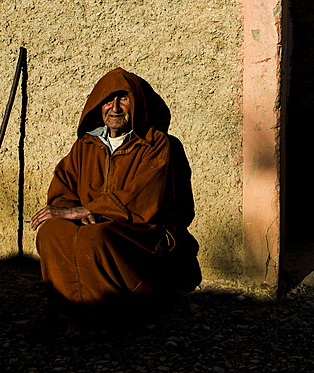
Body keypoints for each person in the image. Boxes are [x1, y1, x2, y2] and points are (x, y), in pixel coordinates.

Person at [31, 67, 194, 305]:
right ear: (99, 104)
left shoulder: (155, 144)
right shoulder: (85, 145)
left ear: (135, 103)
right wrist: (71, 212)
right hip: (92, 226)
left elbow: (143, 195)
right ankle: (68, 306)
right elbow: (63, 187)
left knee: (97, 237)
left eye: (123, 99)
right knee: (50, 232)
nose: (115, 107)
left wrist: (90, 210)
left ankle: (114, 310)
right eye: (108, 100)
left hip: (139, 231)